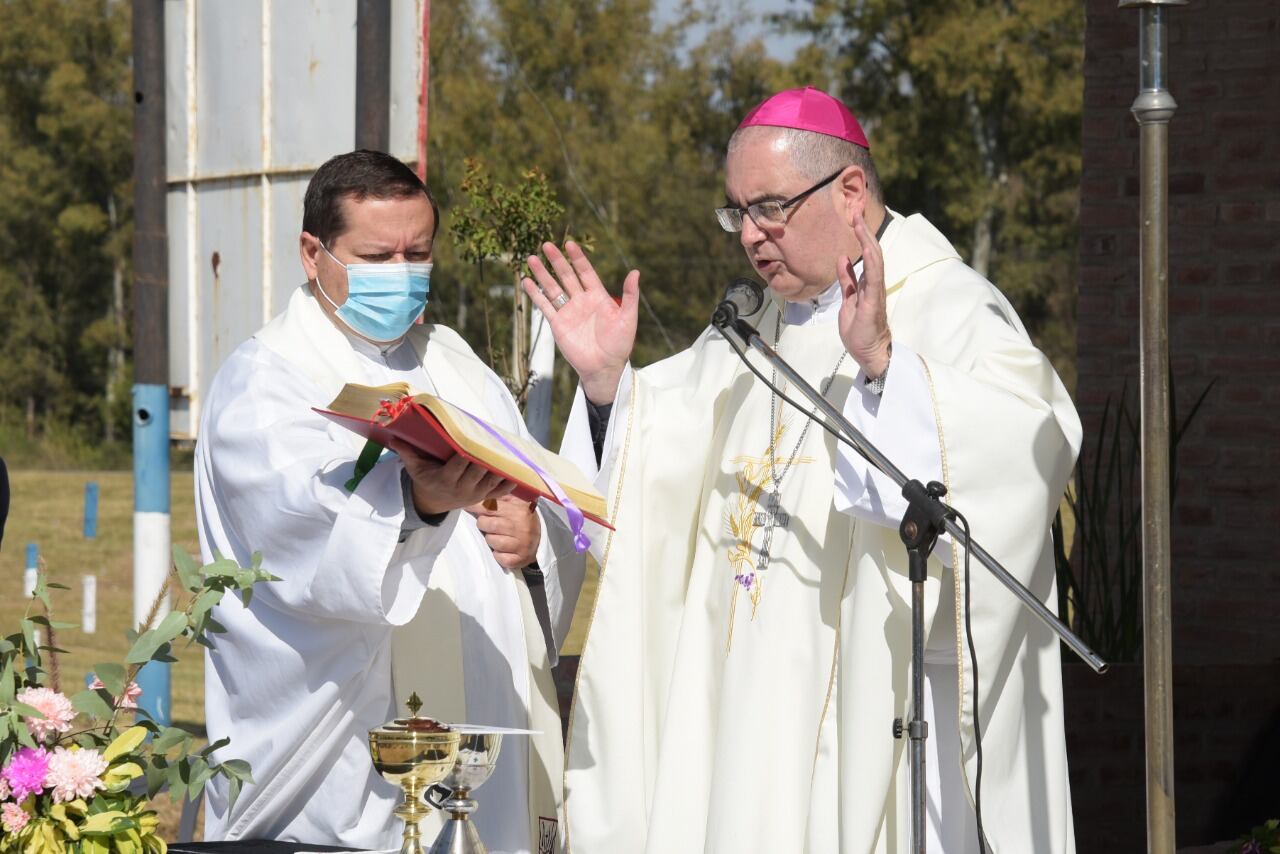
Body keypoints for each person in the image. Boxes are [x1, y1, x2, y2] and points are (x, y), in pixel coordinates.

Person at [524, 88, 1081, 853]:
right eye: (737, 213)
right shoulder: (748, 334)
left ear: (850, 191)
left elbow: (1033, 441)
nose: (751, 235)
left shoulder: (950, 306)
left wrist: (885, 363)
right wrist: (607, 388)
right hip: (739, 718)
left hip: (874, 718)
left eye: (769, 208)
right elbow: (652, 465)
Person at [195, 150, 585, 853]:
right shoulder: (266, 383)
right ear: (314, 253)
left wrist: (531, 540)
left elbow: (542, 495)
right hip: (341, 759)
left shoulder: (454, 359)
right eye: (377, 255)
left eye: (418, 253)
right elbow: (299, 530)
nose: (402, 275)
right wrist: (416, 501)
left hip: (484, 738)